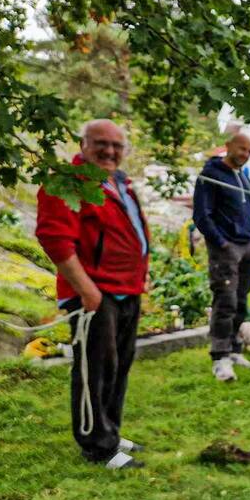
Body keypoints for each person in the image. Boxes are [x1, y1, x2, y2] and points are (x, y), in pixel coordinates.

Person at [35, 119, 148, 470]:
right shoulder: (67, 183)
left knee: (118, 366)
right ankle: (98, 447)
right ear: (83, 144)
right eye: (101, 143)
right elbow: (54, 238)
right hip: (95, 293)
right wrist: (86, 289)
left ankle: (110, 431)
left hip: (125, 289)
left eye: (117, 146)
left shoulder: (118, 183)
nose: (110, 151)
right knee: (95, 370)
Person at [193, 133, 250, 382]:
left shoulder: (241, 175)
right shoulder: (211, 174)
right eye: (241, 149)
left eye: (249, 151)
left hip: (247, 244)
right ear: (229, 147)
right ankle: (219, 356)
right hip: (226, 247)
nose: (245, 154)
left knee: (241, 300)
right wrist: (221, 242)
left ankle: (233, 349)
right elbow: (201, 214)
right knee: (226, 299)